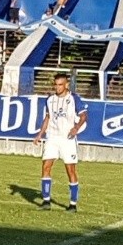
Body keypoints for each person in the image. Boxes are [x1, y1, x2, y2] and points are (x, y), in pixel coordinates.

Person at [32, 74, 88, 212]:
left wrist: (76, 128)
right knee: (46, 166)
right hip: (52, 137)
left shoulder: (74, 98)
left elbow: (83, 115)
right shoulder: (50, 100)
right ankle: (46, 202)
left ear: (66, 85)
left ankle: (73, 204)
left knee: (70, 170)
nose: (57, 87)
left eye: (60, 84)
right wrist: (40, 134)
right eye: (56, 85)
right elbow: (48, 117)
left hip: (67, 139)